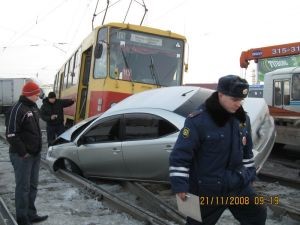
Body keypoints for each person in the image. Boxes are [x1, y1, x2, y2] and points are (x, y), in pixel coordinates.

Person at [169, 75, 267, 225]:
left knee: (257, 213)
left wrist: (250, 176)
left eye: (241, 100)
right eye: (234, 100)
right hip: (208, 189)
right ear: (220, 95)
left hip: (237, 184)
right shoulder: (198, 121)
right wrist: (180, 185)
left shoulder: (242, 119)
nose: (238, 104)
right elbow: (181, 154)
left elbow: (247, 153)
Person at [5, 81, 48, 225]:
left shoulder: (33, 107)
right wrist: (23, 152)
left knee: (32, 186)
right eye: (36, 94)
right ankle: (22, 218)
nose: (38, 96)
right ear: (30, 94)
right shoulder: (17, 109)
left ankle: (31, 214)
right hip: (22, 156)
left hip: (34, 155)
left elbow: (34, 130)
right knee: (23, 187)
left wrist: (36, 150)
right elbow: (11, 134)